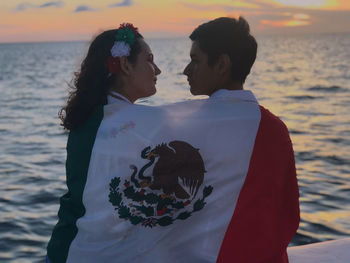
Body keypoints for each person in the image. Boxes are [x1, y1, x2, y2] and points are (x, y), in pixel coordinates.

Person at [182, 17, 300, 262]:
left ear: (222, 64)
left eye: (195, 60)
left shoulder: (191, 127)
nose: (186, 70)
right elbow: (288, 212)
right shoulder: (276, 129)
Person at [46, 23, 161, 263]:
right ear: (126, 65)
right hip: (86, 252)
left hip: (66, 245)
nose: (157, 69)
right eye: (149, 60)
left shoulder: (95, 116)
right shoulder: (121, 124)